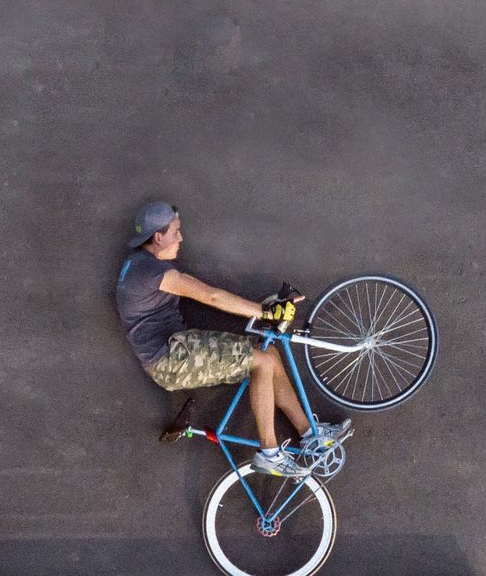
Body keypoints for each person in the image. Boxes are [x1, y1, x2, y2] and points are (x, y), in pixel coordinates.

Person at [117, 201, 349, 478]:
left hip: (179, 349)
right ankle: (270, 454)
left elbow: (212, 293)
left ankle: (310, 433)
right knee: (261, 362)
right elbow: (210, 296)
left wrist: (263, 308)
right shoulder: (153, 273)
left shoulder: (143, 264)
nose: (181, 238)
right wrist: (265, 312)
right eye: (176, 232)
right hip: (170, 358)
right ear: (158, 237)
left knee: (270, 355)